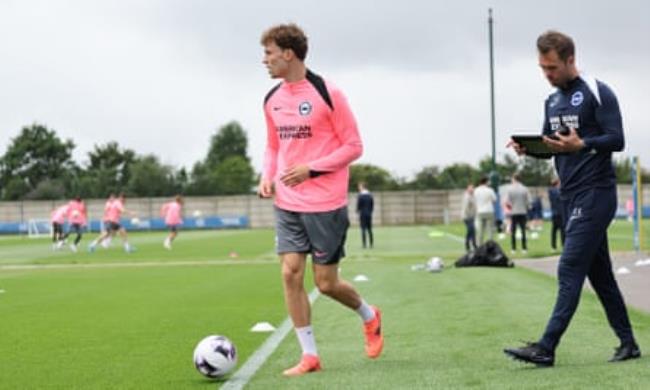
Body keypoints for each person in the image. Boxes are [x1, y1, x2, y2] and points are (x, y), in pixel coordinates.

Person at [504, 30, 640, 366]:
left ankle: (546, 346)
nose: (547, 75)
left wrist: (583, 144)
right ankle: (629, 343)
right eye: (542, 68)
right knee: (601, 276)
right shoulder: (551, 102)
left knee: (568, 266)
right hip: (569, 195)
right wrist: (530, 150)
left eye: (551, 67)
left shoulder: (597, 91)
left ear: (569, 60)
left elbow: (617, 139)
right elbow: (553, 147)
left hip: (597, 194)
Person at [259, 23, 383, 376]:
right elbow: (272, 145)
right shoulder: (271, 99)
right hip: (287, 202)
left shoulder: (329, 94)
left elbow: (354, 147)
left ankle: (370, 316)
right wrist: (267, 174)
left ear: (288, 53)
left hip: (325, 203)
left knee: (325, 283)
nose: (264, 61)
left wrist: (311, 169)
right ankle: (310, 356)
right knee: (290, 273)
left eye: (269, 53)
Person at [504, 173, 531, 254]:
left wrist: (510, 208)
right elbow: (528, 201)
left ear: (514, 179)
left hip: (514, 211)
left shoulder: (510, 189)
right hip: (523, 211)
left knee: (513, 231)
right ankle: (524, 248)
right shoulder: (525, 188)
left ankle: (513, 248)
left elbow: (507, 202)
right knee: (523, 230)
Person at [474, 177, 497, 245]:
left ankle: (479, 246)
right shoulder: (490, 190)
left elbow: (475, 200)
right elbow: (494, 200)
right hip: (489, 210)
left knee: (480, 231)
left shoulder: (476, 190)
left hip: (480, 211)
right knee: (490, 230)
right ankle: (490, 246)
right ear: (486, 182)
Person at [548, 178, 565, 251]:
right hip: (559, 213)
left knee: (554, 231)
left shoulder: (551, 191)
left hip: (554, 213)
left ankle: (553, 246)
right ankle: (563, 245)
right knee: (562, 230)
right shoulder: (556, 191)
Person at [356, 182, 374, 249]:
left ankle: (364, 245)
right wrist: (370, 212)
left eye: (359, 186)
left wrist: (357, 211)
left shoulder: (360, 196)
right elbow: (372, 205)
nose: (358, 188)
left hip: (362, 214)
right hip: (369, 214)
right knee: (370, 229)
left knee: (363, 229)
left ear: (362, 187)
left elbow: (358, 206)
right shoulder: (370, 195)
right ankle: (371, 244)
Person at [460, 183, 477, 252]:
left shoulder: (473, 196)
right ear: (468, 189)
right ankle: (468, 245)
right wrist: (470, 215)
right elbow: (466, 208)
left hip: (472, 216)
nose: (472, 189)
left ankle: (474, 245)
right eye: (470, 188)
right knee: (470, 230)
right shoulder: (467, 196)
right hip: (467, 216)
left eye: (473, 188)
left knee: (472, 231)